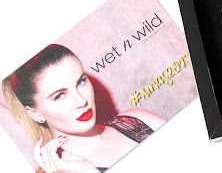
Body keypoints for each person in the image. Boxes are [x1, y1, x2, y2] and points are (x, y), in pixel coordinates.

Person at [2, 44, 166, 172]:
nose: (81, 101)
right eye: (60, 96)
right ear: (35, 114)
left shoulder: (138, 119)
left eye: (81, 82)